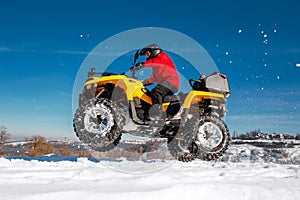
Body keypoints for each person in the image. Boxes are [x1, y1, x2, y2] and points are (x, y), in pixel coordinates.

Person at [131, 44, 180, 120]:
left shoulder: (162, 57)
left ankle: (157, 114)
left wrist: (142, 65)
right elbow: (152, 79)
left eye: (147, 54)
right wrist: (141, 82)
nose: (147, 57)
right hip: (166, 83)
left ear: (154, 52)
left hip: (171, 81)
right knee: (150, 95)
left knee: (156, 92)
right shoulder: (156, 69)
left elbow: (154, 62)